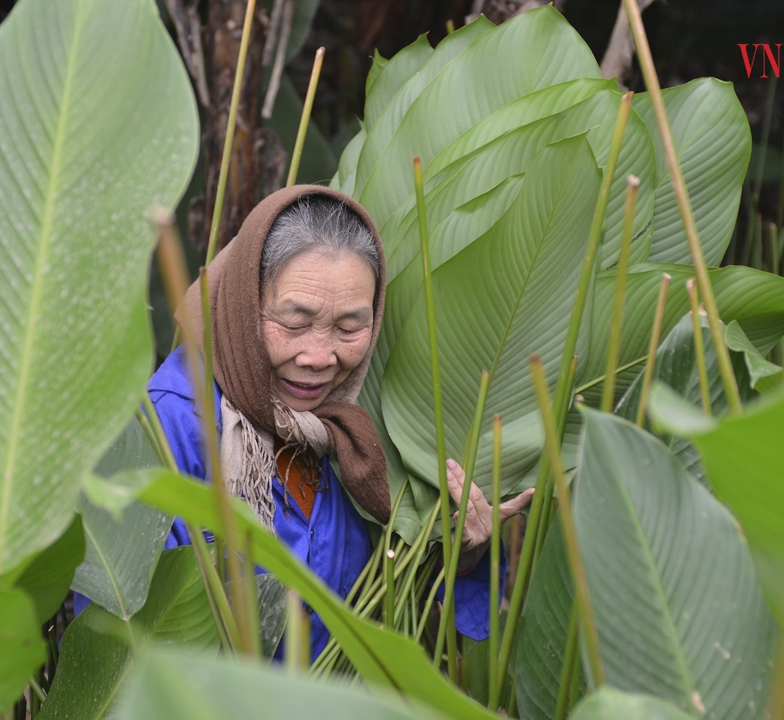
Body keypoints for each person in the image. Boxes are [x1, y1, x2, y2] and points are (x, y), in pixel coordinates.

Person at [145, 185, 533, 657]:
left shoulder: (358, 422)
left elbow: (402, 586)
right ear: (244, 305)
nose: (320, 358)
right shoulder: (166, 427)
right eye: (294, 323)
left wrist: (463, 554)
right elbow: (129, 649)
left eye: (350, 328)